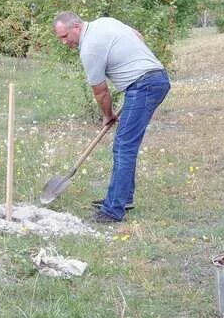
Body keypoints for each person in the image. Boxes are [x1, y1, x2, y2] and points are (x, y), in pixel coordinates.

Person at [53, 11, 171, 223]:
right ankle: (122, 198)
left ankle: (113, 210)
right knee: (126, 144)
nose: (63, 43)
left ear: (76, 28)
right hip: (152, 78)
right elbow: (137, 35)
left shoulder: (89, 49)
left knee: (123, 146)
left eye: (64, 37)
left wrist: (107, 115)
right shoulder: (105, 22)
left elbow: (101, 92)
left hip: (144, 85)